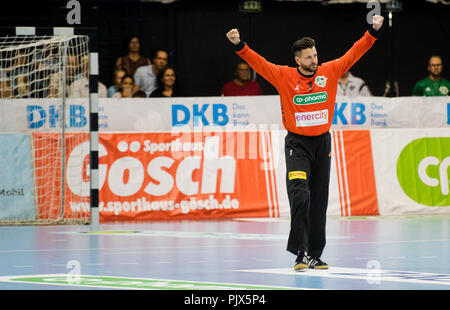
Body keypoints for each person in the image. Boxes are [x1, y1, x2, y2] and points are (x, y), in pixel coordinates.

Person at [226, 14, 384, 271]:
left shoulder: (329, 71)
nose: (314, 60)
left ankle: (314, 254)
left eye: (315, 55)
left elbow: (354, 53)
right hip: (297, 145)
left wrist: (373, 31)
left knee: (319, 200)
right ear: (297, 60)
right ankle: (299, 252)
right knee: (300, 194)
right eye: (309, 57)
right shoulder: (283, 75)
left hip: (322, 144)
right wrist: (239, 44)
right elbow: (259, 62)